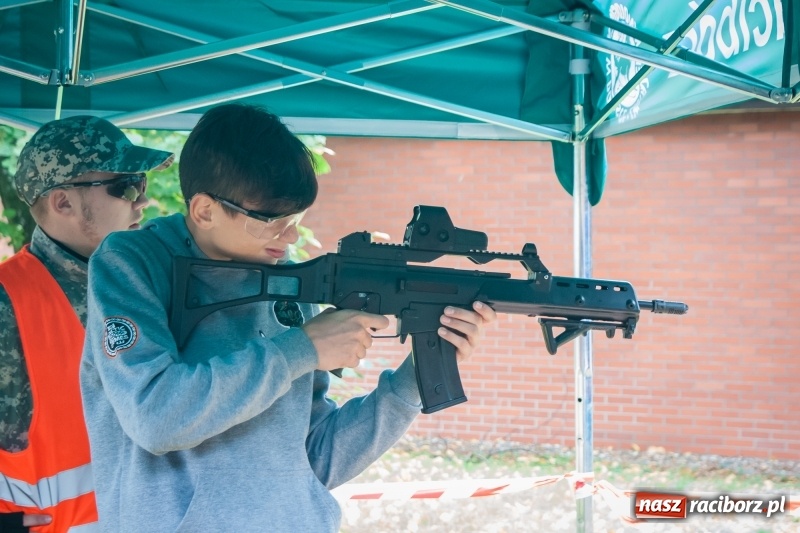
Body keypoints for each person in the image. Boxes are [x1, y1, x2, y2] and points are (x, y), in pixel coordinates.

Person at [80, 103, 496, 533]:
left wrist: (413, 379)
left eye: (297, 218)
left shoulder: (288, 282)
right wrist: (302, 348)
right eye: (272, 220)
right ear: (205, 210)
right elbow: (156, 417)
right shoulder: (132, 263)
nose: (292, 235)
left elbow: (315, 459)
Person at [0, 116, 174, 533]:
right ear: (63, 203)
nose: (142, 200)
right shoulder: (7, 300)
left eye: (142, 184)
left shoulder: (150, 282)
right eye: (126, 186)